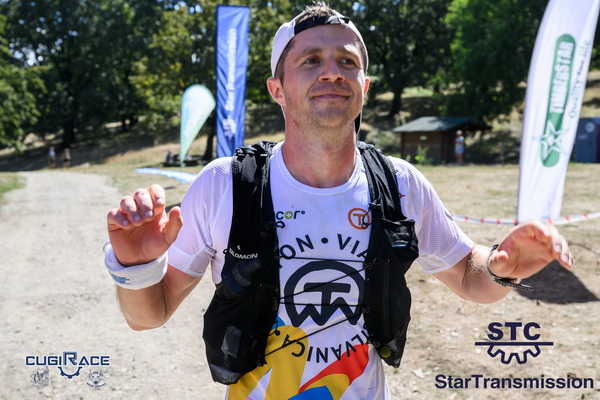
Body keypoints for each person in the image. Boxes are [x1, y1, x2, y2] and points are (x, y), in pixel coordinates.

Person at [104, 4, 573, 399]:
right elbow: (149, 315)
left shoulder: (399, 184)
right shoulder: (226, 185)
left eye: (347, 62)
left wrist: (504, 266)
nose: (332, 71)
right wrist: (135, 266)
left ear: (363, 87)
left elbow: (470, 278)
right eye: (310, 60)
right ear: (277, 89)